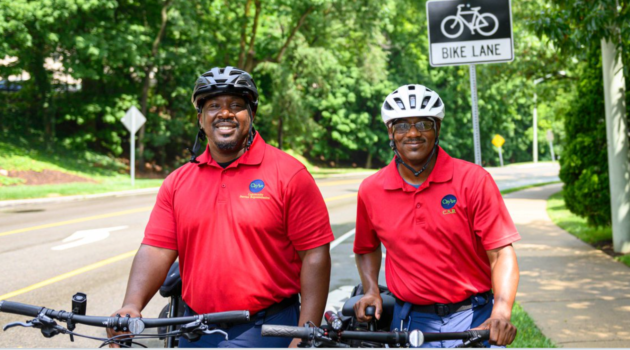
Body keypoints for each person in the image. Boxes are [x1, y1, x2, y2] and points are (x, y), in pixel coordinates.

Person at [108, 66, 333, 348]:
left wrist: (305, 333)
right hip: (193, 328)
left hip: (268, 328)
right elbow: (157, 248)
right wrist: (131, 305)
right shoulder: (178, 182)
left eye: (236, 105)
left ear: (251, 116)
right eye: (213, 105)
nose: (224, 113)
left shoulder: (289, 174)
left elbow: (315, 254)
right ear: (200, 119)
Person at [352, 84, 520, 347]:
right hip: (409, 320)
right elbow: (365, 247)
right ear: (390, 131)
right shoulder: (371, 190)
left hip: (473, 317)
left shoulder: (474, 180)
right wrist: (371, 289)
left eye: (423, 124)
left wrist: (501, 311)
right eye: (401, 126)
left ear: (437, 129)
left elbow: (501, 253)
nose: (413, 133)